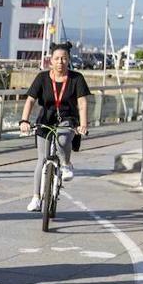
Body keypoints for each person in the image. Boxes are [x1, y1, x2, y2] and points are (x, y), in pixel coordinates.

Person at [20, 41, 89, 211]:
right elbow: (30, 100)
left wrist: (83, 124)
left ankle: (66, 163)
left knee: (63, 138)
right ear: (51, 61)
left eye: (64, 59)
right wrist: (24, 121)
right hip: (46, 118)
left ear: (69, 60)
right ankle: (36, 197)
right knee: (41, 159)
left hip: (67, 118)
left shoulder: (76, 78)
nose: (60, 62)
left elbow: (82, 103)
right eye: (57, 59)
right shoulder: (42, 78)